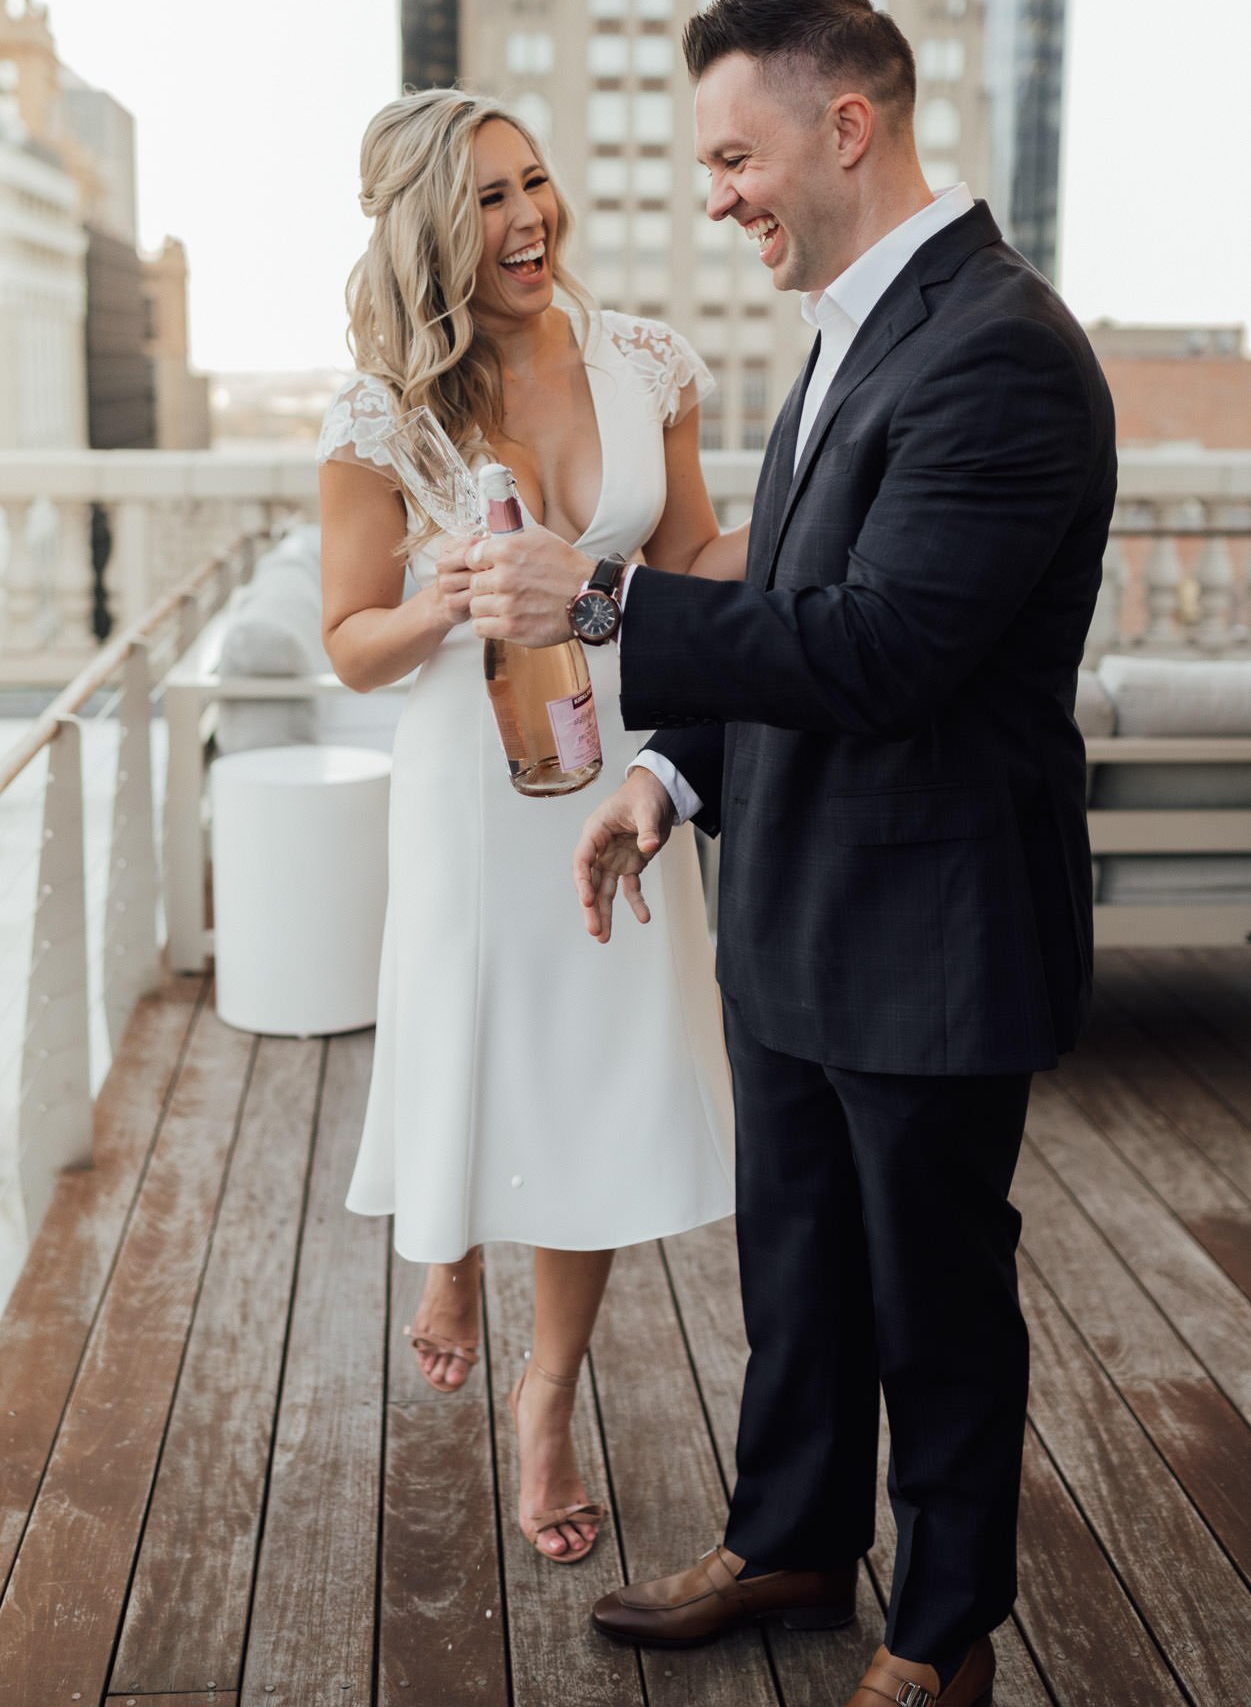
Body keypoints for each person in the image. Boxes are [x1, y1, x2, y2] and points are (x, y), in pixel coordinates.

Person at [463, 0, 1116, 1705]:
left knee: (939, 1303)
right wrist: (666, 781)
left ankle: (942, 1633)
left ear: (851, 127)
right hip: (803, 911)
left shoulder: (1004, 354)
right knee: (804, 1263)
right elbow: (794, 601)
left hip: (939, 932)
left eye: (737, 155)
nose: (718, 195)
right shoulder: (848, 323)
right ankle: (792, 1545)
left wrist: (600, 600)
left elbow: (882, 648)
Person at [317, 88, 740, 1565]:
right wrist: (442, 592)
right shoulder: (388, 410)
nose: (529, 219)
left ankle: (545, 1390)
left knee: (603, 1075)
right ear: (438, 228)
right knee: (473, 1032)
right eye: (491, 198)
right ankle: (450, 1253)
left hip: (622, 760)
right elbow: (349, 642)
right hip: (469, 771)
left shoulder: (644, 363)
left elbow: (689, 558)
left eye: (537, 184)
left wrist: (826, 523)